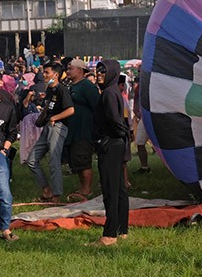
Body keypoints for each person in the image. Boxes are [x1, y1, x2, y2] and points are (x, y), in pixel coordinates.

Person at [88, 60, 129, 247]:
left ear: (112, 73)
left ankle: (109, 235)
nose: (99, 74)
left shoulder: (108, 94)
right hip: (115, 145)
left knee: (110, 190)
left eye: (103, 71)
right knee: (119, 189)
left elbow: (115, 121)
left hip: (110, 146)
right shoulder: (113, 91)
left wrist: (120, 134)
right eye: (98, 71)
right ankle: (122, 230)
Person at [27, 62, 73, 202]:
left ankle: (57, 195)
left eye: (47, 72)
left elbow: (71, 110)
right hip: (47, 127)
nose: (44, 75)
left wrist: (55, 117)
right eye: (43, 72)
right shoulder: (50, 90)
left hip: (57, 127)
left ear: (56, 75)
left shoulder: (61, 90)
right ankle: (46, 190)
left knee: (54, 161)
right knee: (31, 160)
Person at [66, 59, 100, 200]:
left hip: (84, 130)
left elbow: (98, 106)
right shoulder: (71, 86)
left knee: (83, 159)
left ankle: (87, 190)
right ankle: (82, 188)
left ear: (80, 70)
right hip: (73, 130)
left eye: (70, 68)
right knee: (77, 161)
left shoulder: (86, 86)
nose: (67, 71)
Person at [0, 86, 18, 242]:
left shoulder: (7, 108)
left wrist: (4, 150)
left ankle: (5, 228)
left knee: (5, 194)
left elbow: (12, 132)